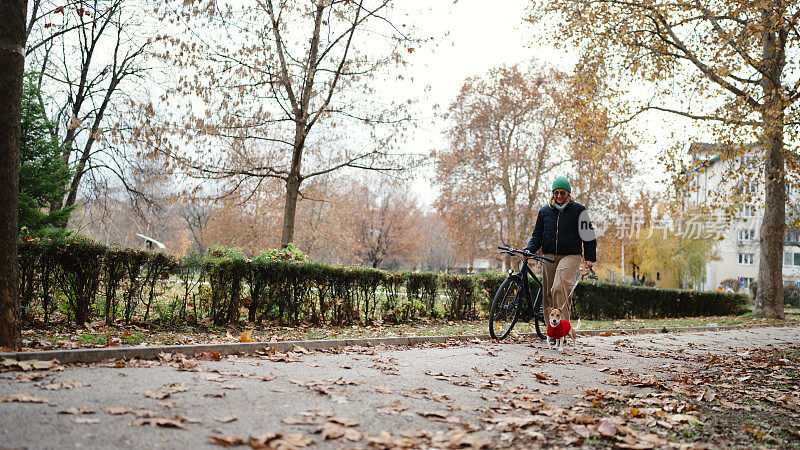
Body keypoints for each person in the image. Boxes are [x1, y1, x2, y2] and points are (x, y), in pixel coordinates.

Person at [524, 176, 597, 324]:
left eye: (562, 193)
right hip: (549, 255)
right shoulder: (545, 211)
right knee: (548, 293)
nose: (559, 196)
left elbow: (588, 235)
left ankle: (563, 328)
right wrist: (529, 249)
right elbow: (537, 235)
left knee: (559, 287)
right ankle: (551, 330)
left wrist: (589, 258)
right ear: (552, 193)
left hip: (571, 255)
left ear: (568, 194)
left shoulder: (578, 210)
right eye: (556, 193)